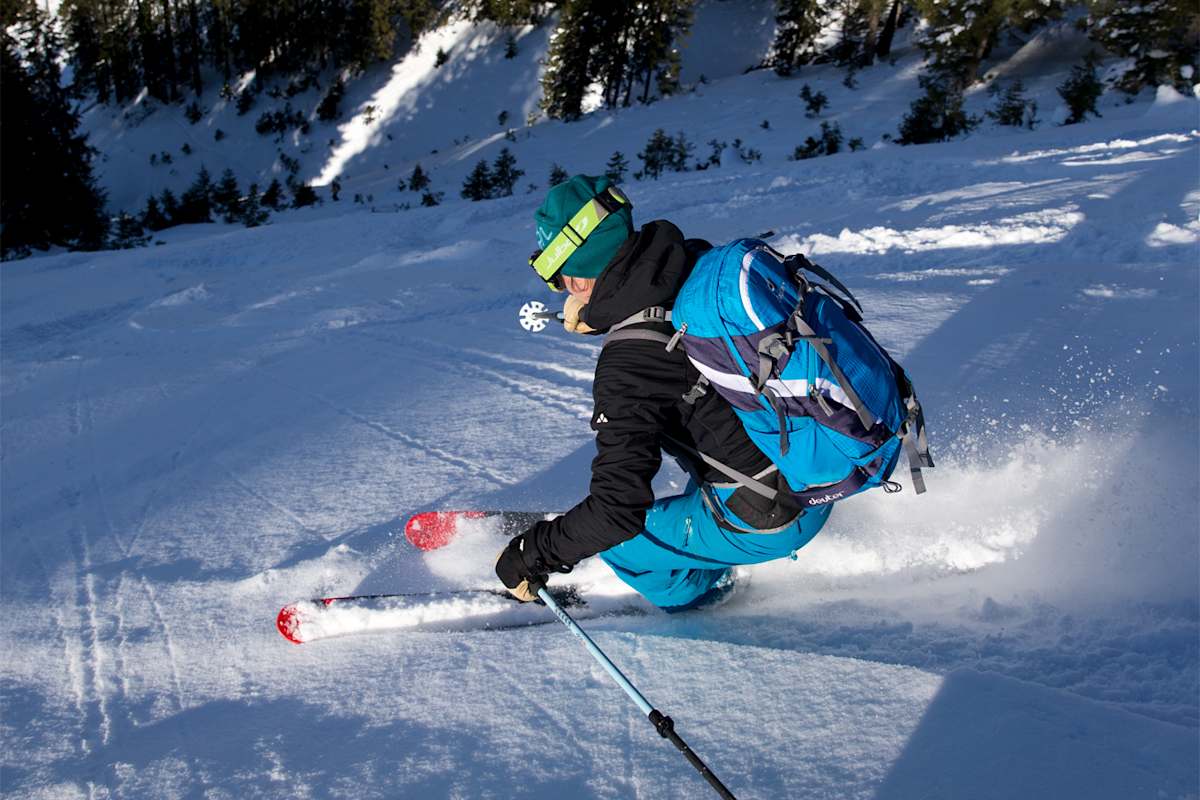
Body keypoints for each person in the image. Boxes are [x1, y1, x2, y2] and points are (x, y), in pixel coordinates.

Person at [494, 174, 831, 610]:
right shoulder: (694, 264)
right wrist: (606, 315)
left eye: (558, 280)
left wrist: (531, 556)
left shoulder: (628, 365)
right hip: (816, 464)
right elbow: (661, 332)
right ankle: (702, 535)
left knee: (621, 545)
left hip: (770, 515)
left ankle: (700, 600)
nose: (561, 292)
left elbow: (618, 511)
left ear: (576, 278)